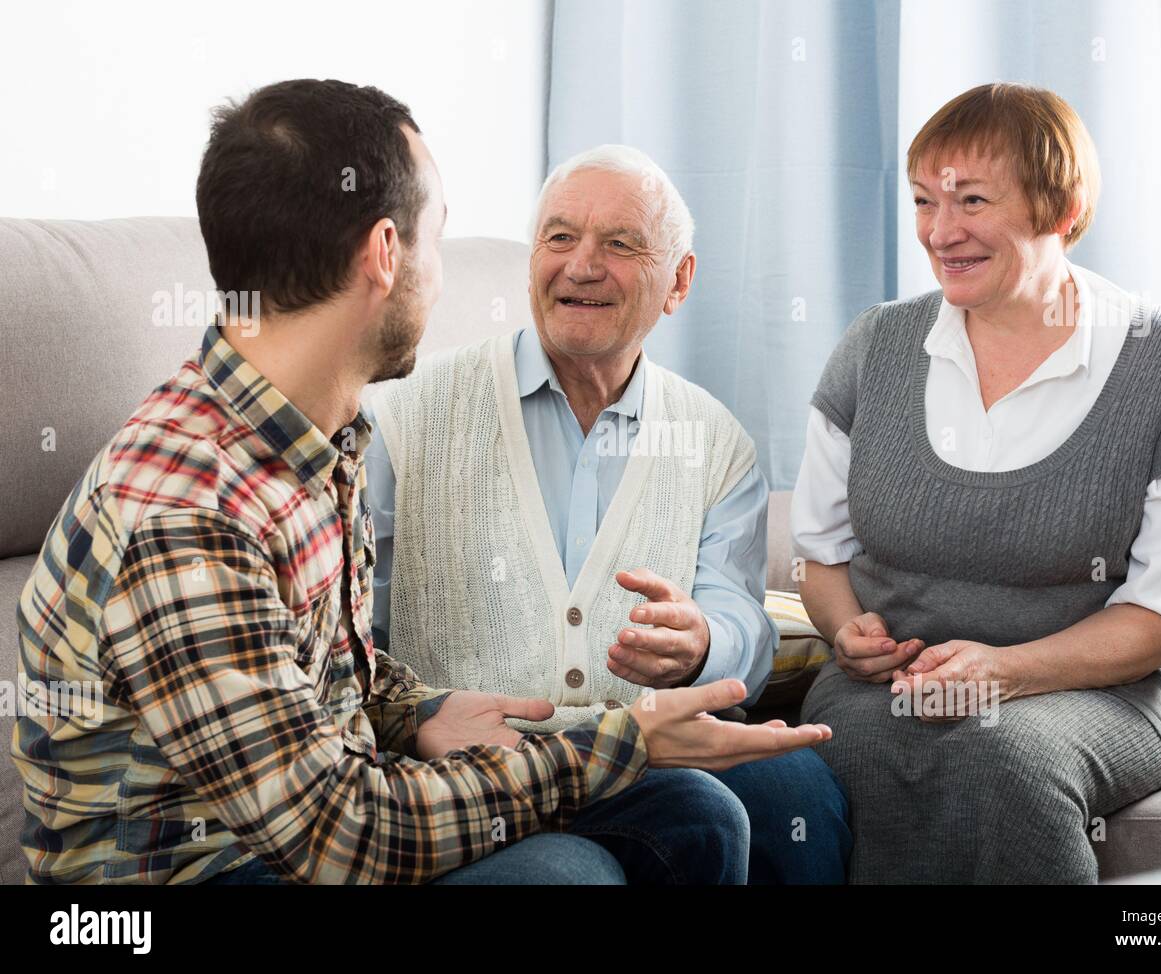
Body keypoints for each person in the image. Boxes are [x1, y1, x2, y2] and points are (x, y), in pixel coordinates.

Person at [10, 80, 830, 886]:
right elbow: (342, 835)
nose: (447, 276)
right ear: (386, 255)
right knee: (561, 874)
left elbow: (330, 672)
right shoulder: (186, 512)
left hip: (313, 814)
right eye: (438, 239)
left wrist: (420, 710)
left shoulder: (316, 442)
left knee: (695, 813)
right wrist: (623, 742)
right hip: (204, 872)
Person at [793, 82, 1161, 884]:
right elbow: (822, 557)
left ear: (1063, 208)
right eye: (925, 201)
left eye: (972, 200)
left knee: (1002, 756)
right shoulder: (875, 346)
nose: (941, 231)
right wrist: (846, 631)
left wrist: (1008, 670)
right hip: (906, 678)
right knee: (848, 747)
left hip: (1115, 687)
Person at [364, 144, 852, 885]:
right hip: (480, 763)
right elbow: (350, 632)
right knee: (575, 872)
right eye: (559, 238)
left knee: (802, 798)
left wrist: (701, 643)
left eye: (620, 244)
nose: (581, 265)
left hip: (656, 745)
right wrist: (421, 716)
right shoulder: (407, 412)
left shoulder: (714, 439)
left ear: (678, 281)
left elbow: (740, 617)